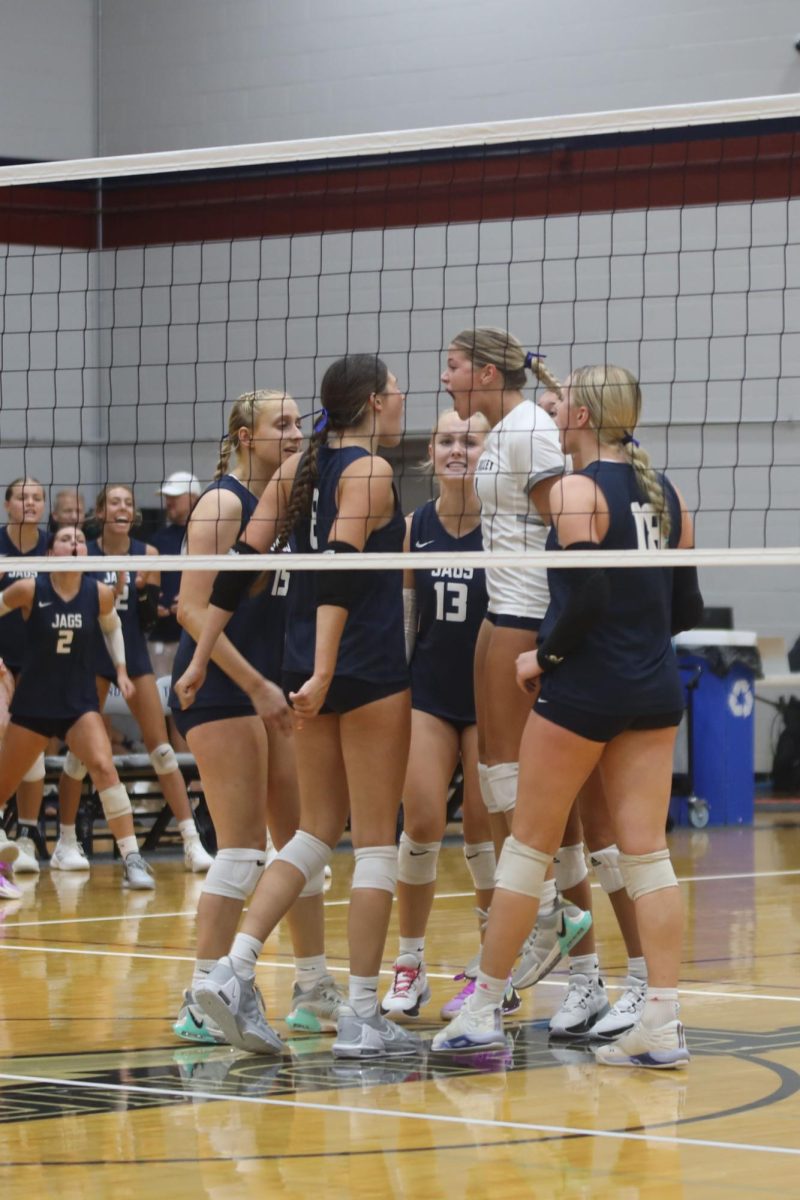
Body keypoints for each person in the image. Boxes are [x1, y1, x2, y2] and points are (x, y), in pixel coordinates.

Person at [432, 364, 701, 1069]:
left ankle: (482, 1012)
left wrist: (541, 661)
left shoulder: (579, 490)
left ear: (581, 418)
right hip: (653, 690)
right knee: (646, 855)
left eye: (563, 403)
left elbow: (582, 601)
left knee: (528, 845)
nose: (552, 411)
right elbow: (688, 609)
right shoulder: (664, 493)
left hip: (585, 692)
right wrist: (637, 646)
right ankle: (663, 1024)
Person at [176, 354, 419, 1060]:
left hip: (303, 668)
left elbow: (235, 572)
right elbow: (341, 570)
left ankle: (234, 970)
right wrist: (323, 668)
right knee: (375, 843)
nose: (404, 400)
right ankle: (364, 1016)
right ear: (374, 403)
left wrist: (199, 656)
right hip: (361, 667)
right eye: (398, 391)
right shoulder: (368, 472)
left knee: (312, 834)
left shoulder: (296, 471)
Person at [170, 389, 341, 1045]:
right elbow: (189, 607)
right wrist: (259, 685)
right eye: (282, 424)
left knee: (301, 843)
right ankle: (201, 997)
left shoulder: (290, 510)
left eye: (300, 423)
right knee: (241, 850)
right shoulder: (223, 503)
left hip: (272, 691)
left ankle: (313, 988)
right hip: (222, 690)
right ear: (245, 436)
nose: (296, 434)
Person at [441, 330, 598, 1034]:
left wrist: (555, 635)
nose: (445, 378)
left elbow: (563, 530)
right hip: (497, 603)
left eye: (452, 366)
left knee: (516, 781)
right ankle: (581, 962)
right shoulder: (505, 429)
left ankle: (543, 921)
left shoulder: (532, 430)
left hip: (528, 611)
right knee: (502, 778)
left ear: (481, 370)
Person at [380, 408, 515, 1021]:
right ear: (430, 452)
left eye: (469, 440)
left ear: (489, 452)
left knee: (486, 829)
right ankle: (409, 965)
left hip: (491, 698)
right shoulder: (414, 528)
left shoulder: (507, 528)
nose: (457, 448)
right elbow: (407, 619)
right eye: (446, 440)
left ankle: (495, 970)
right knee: (424, 821)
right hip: (430, 695)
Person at [56, 484, 212, 874]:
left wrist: (142, 593)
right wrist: (113, 590)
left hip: (134, 652)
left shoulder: (149, 554)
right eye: (114, 502)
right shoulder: (84, 552)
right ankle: (66, 840)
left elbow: (145, 621)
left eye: (128, 502)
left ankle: (191, 843)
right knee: (80, 755)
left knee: (161, 751)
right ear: (100, 512)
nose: (123, 507)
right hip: (91, 655)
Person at [0, 525, 156, 889]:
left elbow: (113, 626)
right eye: (66, 540)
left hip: (78, 702)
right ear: (51, 553)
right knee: (5, 785)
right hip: (35, 702)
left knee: (104, 767)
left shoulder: (98, 593)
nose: (75, 545)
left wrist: (120, 669)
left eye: (80, 540)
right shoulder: (29, 588)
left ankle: (132, 858)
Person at [0, 477, 50, 874]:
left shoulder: (53, 547)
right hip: (1, 661)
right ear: (7, 506)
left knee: (33, 755)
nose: (30, 503)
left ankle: (26, 836)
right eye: (22, 497)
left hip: (40, 664)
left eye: (37, 497)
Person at [148, 471, 202, 685]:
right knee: (163, 706)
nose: (169, 502)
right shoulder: (157, 539)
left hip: (197, 635)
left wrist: (194, 598)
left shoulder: (208, 535)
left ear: (194, 498)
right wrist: (154, 602)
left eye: (175, 496)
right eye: (167, 497)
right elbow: (147, 582)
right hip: (162, 635)